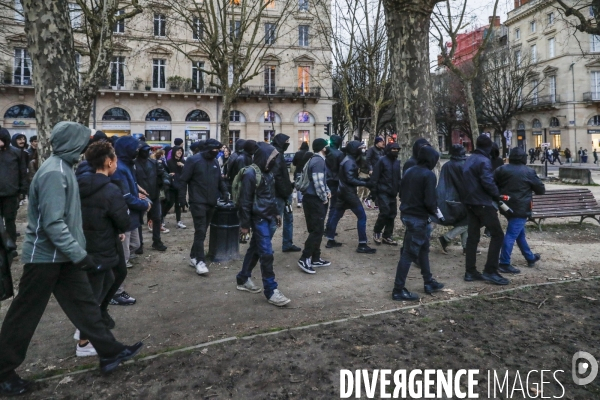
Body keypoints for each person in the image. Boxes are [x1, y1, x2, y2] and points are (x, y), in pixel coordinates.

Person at [0, 122, 143, 396]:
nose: (87, 146)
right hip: (45, 258)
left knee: (86, 306)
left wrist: (76, 253)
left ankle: (110, 352)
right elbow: (53, 224)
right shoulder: (56, 172)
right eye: (83, 141)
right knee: (24, 315)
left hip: (61, 256)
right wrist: (81, 255)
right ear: (72, 143)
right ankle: (2, 372)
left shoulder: (63, 168)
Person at [76, 141, 131, 357]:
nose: (117, 163)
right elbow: (124, 221)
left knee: (104, 282)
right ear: (109, 162)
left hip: (84, 244)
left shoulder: (78, 183)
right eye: (115, 159)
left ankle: (92, 325)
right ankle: (83, 341)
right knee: (95, 293)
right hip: (102, 246)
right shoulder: (110, 189)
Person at [236, 143, 291, 306]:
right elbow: (245, 201)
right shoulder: (250, 174)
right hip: (258, 219)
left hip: (267, 217)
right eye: (272, 157)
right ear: (264, 157)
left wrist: (275, 213)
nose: (274, 160)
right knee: (266, 253)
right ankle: (271, 290)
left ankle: (243, 278)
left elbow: (270, 195)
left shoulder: (268, 173)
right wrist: (245, 225)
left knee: (256, 249)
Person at [392, 146, 445, 301]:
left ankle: (428, 282)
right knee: (408, 254)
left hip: (407, 215)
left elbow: (401, 193)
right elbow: (430, 201)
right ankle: (398, 290)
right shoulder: (428, 175)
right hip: (418, 218)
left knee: (423, 249)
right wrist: (438, 214)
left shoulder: (409, 171)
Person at [462, 135, 508, 285]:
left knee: (473, 236)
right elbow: (487, 181)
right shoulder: (484, 161)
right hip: (482, 202)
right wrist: (497, 195)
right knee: (497, 235)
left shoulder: (470, 159)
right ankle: (490, 270)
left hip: (470, 201)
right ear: (489, 147)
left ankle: (470, 271)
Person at [178, 139, 229, 275]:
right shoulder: (193, 160)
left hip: (211, 202)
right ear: (207, 149)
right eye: (215, 150)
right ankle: (200, 261)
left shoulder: (214, 162)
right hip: (197, 202)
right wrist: (182, 199)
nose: (217, 152)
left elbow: (219, 180)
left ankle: (193, 256)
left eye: (218, 151)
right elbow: (183, 180)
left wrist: (225, 192)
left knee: (202, 231)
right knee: (200, 231)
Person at [110, 136, 151, 305]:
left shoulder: (127, 165)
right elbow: (125, 197)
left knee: (135, 246)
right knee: (123, 256)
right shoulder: (119, 167)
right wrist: (143, 204)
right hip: (125, 217)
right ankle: (115, 293)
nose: (138, 152)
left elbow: (129, 190)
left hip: (132, 217)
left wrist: (137, 194)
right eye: (135, 149)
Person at [495, 147, 545, 274]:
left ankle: (530, 257)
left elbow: (492, 184)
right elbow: (540, 190)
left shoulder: (501, 169)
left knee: (519, 233)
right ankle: (504, 262)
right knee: (512, 234)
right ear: (524, 158)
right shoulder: (528, 171)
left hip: (505, 205)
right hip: (521, 207)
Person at [325, 140, 376, 254]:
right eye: (360, 148)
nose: (362, 150)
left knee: (336, 215)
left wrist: (364, 180)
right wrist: (366, 183)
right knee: (362, 216)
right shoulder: (349, 162)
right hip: (348, 193)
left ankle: (330, 239)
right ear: (355, 149)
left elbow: (350, 177)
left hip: (342, 192)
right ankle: (362, 244)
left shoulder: (348, 160)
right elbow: (350, 179)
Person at [297, 139, 331, 274]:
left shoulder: (313, 160)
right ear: (323, 148)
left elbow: (320, 181)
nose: (328, 148)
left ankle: (315, 257)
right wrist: (324, 197)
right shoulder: (318, 161)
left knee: (316, 229)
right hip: (314, 200)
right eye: (326, 146)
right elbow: (318, 182)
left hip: (310, 199)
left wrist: (327, 191)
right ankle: (305, 258)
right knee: (317, 230)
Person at [437, 145, 472, 255]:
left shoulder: (447, 165)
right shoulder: (463, 165)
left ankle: (467, 248)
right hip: (462, 199)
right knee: (467, 222)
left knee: (464, 222)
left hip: (449, 199)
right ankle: (446, 238)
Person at [135, 143, 170, 252]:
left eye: (148, 150)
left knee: (157, 218)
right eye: (145, 150)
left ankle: (157, 241)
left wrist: (165, 180)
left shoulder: (153, 163)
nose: (147, 152)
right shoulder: (134, 164)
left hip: (154, 194)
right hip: (141, 196)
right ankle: (139, 243)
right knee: (139, 221)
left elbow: (163, 173)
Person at [271, 134, 301, 252]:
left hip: (283, 192)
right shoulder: (278, 155)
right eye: (287, 141)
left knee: (288, 218)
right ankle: (264, 245)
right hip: (281, 194)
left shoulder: (278, 154)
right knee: (276, 221)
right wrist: (285, 192)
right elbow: (278, 176)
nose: (288, 143)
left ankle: (287, 243)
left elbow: (281, 176)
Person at [371, 142, 401, 246]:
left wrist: (399, 191)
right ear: (388, 150)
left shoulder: (397, 162)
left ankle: (387, 235)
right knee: (385, 212)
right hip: (383, 191)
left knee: (392, 214)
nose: (395, 151)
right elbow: (375, 177)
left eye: (397, 149)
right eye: (393, 149)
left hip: (393, 192)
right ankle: (377, 231)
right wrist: (373, 193)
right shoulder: (381, 161)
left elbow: (398, 178)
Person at [0, 129, 27, 244]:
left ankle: (11, 246)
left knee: (10, 220)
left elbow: (22, 173)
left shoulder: (16, 153)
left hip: (10, 193)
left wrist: (22, 191)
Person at [325, 135, 345, 237]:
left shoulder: (325, 151)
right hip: (334, 181)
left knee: (324, 206)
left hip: (325, 180)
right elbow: (341, 169)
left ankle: (326, 228)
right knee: (333, 206)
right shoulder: (339, 154)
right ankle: (329, 228)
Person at [163, 146, 186, 229]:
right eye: (178, 150)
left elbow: (187, 172)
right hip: (171, 186)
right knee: (169, 202)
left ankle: (179, 221)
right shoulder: (169, 162)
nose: (180, 152)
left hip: (180, 185)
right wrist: (168, 175)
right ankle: (162, 217)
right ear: (174, 152)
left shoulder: (183, 162)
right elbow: (164, 172)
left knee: (178, 204)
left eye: (181, 151)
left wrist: (183, 165)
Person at [364, 137, 385, 208]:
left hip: (381, 171)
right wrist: (370, 169)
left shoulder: (382, 151)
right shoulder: (371, 150)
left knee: (379, 187)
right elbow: (368, 160)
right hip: (374, 171)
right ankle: (371, 199)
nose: (383, 143)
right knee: (374, 186)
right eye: (381, 142)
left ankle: (374, 202)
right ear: (377, 143)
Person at [292, 142, 310, 208]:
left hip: (299, 171)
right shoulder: (310, 154)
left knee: (298, 186)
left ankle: (299, 201)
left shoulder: (297, 153)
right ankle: (306, 199)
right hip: (307, 172)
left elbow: (294, 163)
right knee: (307, 185)